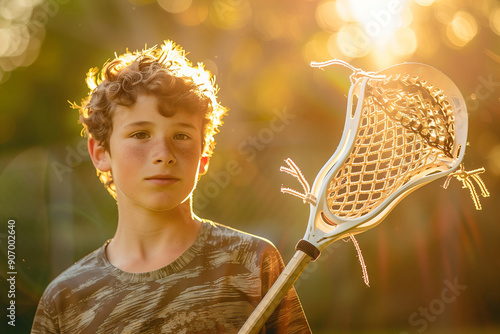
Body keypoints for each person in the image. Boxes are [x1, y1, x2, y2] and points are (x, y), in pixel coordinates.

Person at [31, 40, 311, 333]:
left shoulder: (252, 262)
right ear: (101, 153)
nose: (163, 154)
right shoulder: (65, 300)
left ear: (204, 155)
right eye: (140, 134)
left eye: (181, 136)